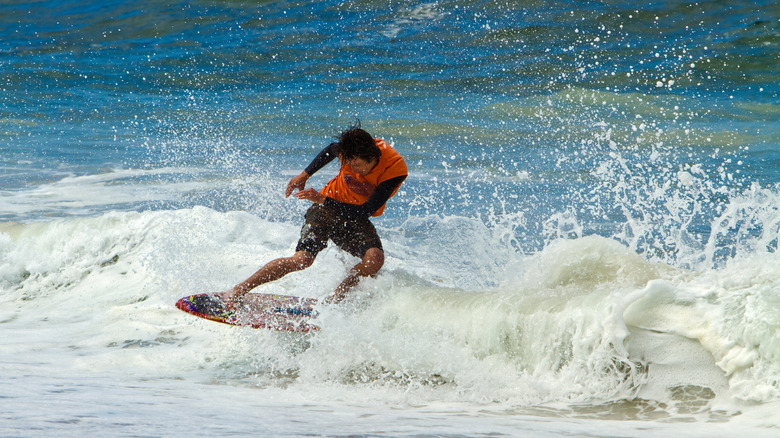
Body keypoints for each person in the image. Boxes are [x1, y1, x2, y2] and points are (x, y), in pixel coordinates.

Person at [222, 123, 408, 307]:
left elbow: (365, 211)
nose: (354, 169)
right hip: (324, 211)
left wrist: (321, 199)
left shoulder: (394, 168)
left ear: (373, 157)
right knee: (302, 260)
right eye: (350, 164)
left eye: (358, 165)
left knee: (374, 259)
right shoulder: (350, 151)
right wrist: (304, 175)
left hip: (352, 214)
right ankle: (238, 291)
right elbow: (331, 150)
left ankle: (335, 303)